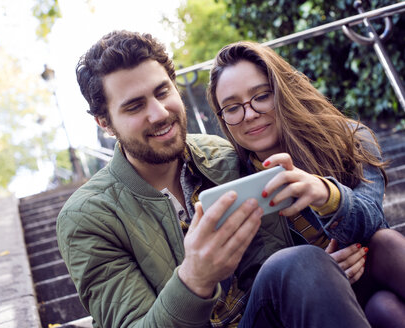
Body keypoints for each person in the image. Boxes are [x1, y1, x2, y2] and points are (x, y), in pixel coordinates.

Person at [56, 30, 372, 328]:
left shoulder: (223, 156)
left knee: (349, 285)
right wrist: (194, 280)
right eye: (135, 106)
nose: (160, 113)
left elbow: (278, 261)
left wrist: (319, 269)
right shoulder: (86, 219)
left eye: (162, 92)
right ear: (105, 123)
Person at [207, 40, 405, 328]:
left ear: (282, 92)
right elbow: (246, 293)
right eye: (232, 107)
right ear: (223, 118)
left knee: (383, 297)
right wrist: (315, 273)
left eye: (261, 96)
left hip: (364, 281)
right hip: (295, 310)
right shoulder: (230, 184)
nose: (249, 114)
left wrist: (327, 195)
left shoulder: (349, 140)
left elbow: (372, 222)